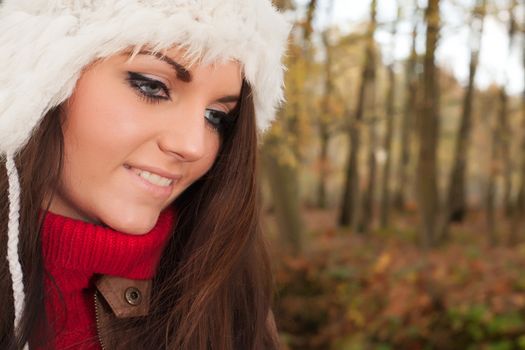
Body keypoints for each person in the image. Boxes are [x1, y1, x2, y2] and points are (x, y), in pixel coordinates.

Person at [0, 1, 291, 349]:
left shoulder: (228, 298)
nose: (193, 146)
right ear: (38, 77)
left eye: (216, 117)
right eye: (152, 87)